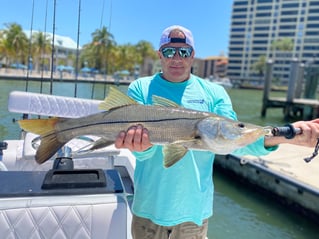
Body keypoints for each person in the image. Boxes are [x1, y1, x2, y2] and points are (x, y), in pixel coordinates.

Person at [114, 25, 319, 239]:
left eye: (183, 52)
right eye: (169, 51)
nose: (176, 57)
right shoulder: (140, 88)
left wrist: (288, 135)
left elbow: (236, 140)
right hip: (149, 210)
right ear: (160, 55)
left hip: (193, 215)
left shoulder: (214, 93)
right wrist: (139, 147)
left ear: (192, 55)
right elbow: (142, 154)